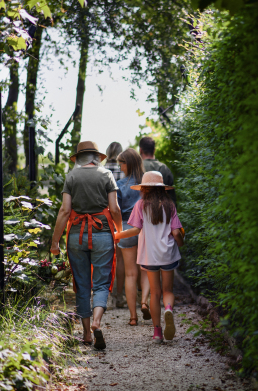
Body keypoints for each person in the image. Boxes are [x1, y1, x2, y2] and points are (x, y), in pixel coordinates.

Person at [50, 141, 122, 350]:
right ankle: (98, 321)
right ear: (96, 157)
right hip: (103, 234)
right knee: (101, 282)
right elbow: (115, 208)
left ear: (79, 158)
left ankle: (86, 334)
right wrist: (117, 230)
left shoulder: (71, 177)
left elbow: (64, 211)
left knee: (82, 285)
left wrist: (55, 242)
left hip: (76, 235)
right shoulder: (106, 175)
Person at [115, 171, 185, 343]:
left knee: (155, 293)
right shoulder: (169, 205)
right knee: (167, 291)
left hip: (149, 255)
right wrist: (181, 243)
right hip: (167, 253)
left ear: (144, 188)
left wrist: (117, 235)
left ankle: (157, 333)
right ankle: (168, 309)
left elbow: (136, 230)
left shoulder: (140, 205)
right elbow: (176, 232)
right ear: (162, 189)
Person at [114, 148, 152, 325]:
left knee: (130, 274)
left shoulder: (120, 185)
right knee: (146, 270)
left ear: (128, 163)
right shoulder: (148, 182)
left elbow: (117, 211)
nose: (120, 166)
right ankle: (144, 302)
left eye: (121, 163)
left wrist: (117, 231)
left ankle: (133, 317)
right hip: (147, 229)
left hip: (128, 229)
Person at [139, 137, 177, 205]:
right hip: (164, 212)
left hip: (141, 212)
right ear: (154, 150)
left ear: (140, 150)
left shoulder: (137, 168)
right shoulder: (165, 168)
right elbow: (172, 198)